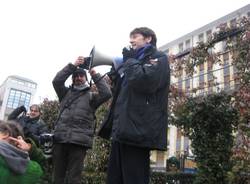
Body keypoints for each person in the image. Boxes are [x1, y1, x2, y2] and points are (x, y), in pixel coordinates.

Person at [99, 27, 170, 184]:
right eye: (130, 37)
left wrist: (129, 62)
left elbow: (145, 82)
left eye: (135, 37)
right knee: (114, 179)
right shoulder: (132, 62)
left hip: (138, 131)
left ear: (148, 39)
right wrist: (116, 76)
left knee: (134, 179)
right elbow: (123, 94)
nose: (131, 40)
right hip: (122, 130)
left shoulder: (159, 58)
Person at [52, 56, 112, 184]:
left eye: (81, 76)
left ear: (85, 78)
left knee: (74, 178)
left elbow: (107, 93)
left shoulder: (92, 97)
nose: (78, 78)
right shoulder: (64, 93)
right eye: (75, 76)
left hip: (79, 143)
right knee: (57, 177)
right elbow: (56, 81)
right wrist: (72, 66)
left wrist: (95, 75)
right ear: (72, 79)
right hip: (60, 139)